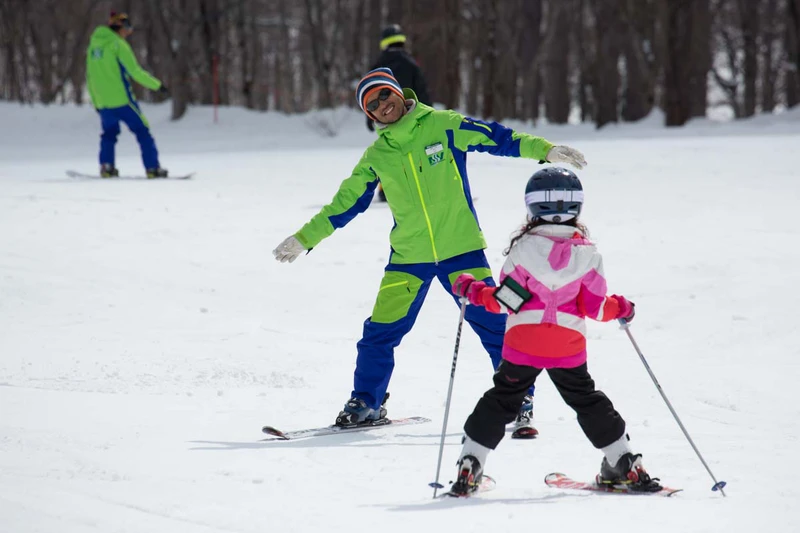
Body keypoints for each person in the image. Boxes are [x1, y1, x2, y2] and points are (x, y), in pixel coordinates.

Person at [272, 67, 587, 431]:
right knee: (379, 333)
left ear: (398, 93)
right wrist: (304, 238)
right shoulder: (378, 155)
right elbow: (344, 204)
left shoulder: (443, 124)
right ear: (369, 115)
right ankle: (365, 402)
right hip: (409, 258)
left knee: (495, 327)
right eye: (371, 105)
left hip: (462, 251)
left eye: (384, 95)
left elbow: (497, 137)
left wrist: (545, 150)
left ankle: (518, 398)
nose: (381, 106)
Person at [447, 167, 661, 495]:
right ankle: (624, 461)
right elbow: (595, 308)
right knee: (587, 400)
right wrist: (622, 307)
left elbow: (507, 302)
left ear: (532, 206)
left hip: (523, 344)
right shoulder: (588, 255)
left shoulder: (522, 251)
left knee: (503, 399)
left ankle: (470, 463)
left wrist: (473, 291)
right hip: (567, 347)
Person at [86, 11, 169, 178]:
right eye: (128, 29)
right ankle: (152, 168)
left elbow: (90, 77)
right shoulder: (118, 45)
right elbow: (135, 71)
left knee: (109, 133)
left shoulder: (93, 46)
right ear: (120, 28)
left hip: (103, 103)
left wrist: (96, 102)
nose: (128, 33)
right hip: (122, 100)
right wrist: (158, 86)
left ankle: (107, 166)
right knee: (142, 131)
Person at [367, 24, 432, 202]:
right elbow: (422, 90)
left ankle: (386, 188)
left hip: (386, 118)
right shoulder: (411, 64)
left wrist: (369, 118)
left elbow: (371, 94)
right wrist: (428, 112)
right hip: (411, 115)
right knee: (419, 151)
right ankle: (424, 184)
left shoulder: (378, 65)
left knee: (391, 151)